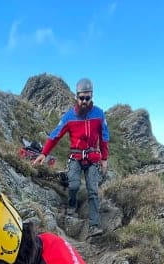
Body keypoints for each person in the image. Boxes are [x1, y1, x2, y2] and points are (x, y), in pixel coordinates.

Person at [32, 78, 110, 237]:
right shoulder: (69, 116)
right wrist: (43, 153)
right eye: (82, 98)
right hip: (75, 157)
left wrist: (104, 158)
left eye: (87, 98)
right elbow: (55, 136)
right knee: (73, 185)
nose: (84, 101)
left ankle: (94, 225)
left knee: (93, 191)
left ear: (91, 96)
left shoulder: (99, 114)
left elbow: (104, 137)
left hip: (93, 158)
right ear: (77, 96)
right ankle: (72, 206)